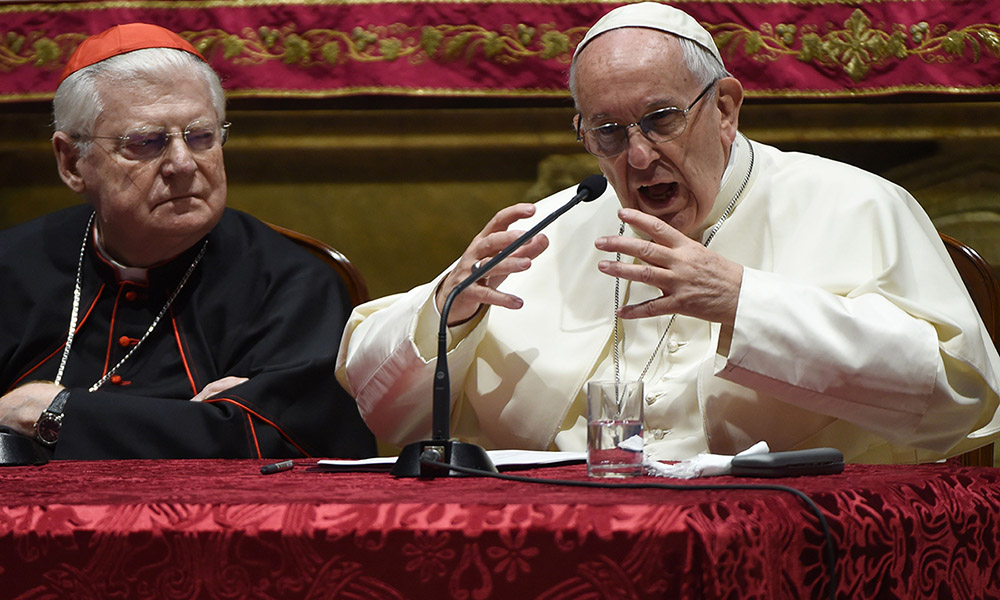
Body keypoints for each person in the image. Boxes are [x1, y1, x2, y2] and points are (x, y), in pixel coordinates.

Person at [336, 3, 1000, 463]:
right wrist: (451, 309)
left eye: (660, 119)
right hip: (562, 535)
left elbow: (960, 395)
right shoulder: (552, 225)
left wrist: (744, 301)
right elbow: (371, 390)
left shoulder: (858, 207)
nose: (639, 156)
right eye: (608, 131)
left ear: (726, 109)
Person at [0, 23, 376, 460]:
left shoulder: (295, 282)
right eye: (145, 142)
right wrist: (195, 425)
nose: (183, 164)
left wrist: (50, 411)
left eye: (201, 137)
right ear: (71, 162)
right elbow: (228, 437)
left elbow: (288, 441)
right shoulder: (11, 267)